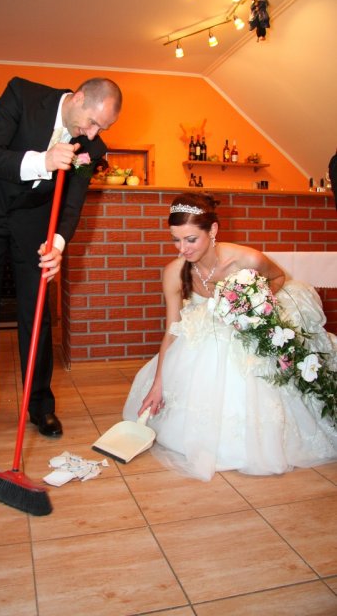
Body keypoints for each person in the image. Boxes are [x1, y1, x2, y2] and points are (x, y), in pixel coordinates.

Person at [0, 76, 122, 444]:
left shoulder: (90, 147)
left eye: (102, 128)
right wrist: (44, 161)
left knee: (38, 313)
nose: (93, 133)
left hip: (33, 225)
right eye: (92, 122)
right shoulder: (21, 96)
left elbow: (73, 201)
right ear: (78, 98)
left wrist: (57, 243)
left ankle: (41, 406)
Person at [123, 193, 337, 481]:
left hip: (247, 332)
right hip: (201, 339)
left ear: (212, 230)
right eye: (176, 239)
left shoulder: (246, 259)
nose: (182, 249)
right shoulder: (173, 272)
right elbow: (172, 330)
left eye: (190, 239)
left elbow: (277, 278)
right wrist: (158, 384)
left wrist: (255, 303)